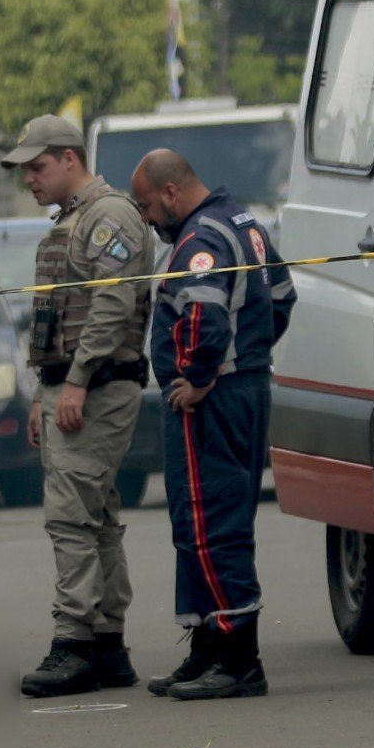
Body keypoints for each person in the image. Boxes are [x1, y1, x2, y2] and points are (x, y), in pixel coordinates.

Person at [131, 147, 295, 701]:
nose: (147, 218)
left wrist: (202, 373)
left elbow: (203, 314)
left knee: (210, 521)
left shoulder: (200, 240)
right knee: (204, 522)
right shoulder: (245, 223)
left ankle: (237, 658)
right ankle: (207, 647)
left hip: (211, 401)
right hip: (245, 388)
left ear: (172, 192)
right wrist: (248, 357)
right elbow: (282, 298)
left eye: (148, 206)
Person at [4, 115, 156, 697]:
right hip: (76, 385)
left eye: (37, 167)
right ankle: (107, 645)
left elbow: (114, 304)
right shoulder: (77, 219)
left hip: (95, 386)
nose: (31, 181)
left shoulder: (108, 215)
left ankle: (75, 643)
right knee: (96, 516)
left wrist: (76, 381)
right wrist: (48, 388)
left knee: (72, 517)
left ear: (70, 158)